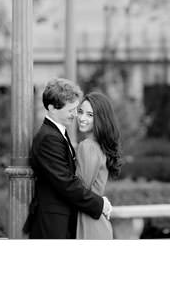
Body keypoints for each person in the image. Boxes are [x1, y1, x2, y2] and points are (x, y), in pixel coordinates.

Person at [24, 77, 111, 239]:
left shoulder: (58, 134)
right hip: (52, 224)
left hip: (60, 220)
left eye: (75, 109)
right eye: (70, 110)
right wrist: (99, 204)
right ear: (52, 108)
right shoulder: (48, 138)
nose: (75, 115)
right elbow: (66, 183)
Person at [75, 91, 123, 239]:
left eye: (90, 115)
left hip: (89, 223)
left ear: (100, 119)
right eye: (81, 112)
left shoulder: (87, 146)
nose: (82, 118)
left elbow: (80, 189)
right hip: (97, 222)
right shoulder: (99, 146)